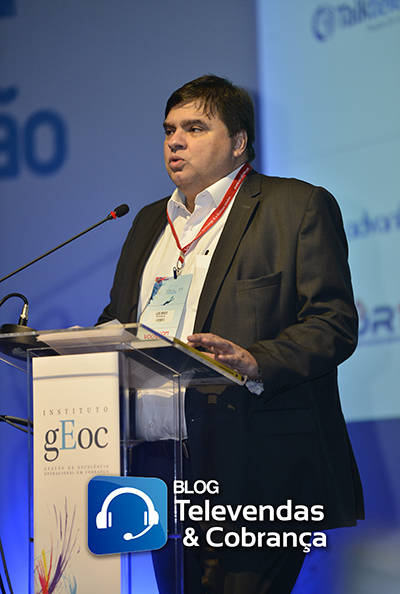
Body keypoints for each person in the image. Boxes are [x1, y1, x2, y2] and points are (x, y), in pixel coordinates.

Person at [97, 75, 364, 594]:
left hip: (257, 464)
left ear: (239, 142)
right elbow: (119, 318)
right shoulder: (149, 221)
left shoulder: (296, 206)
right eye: (169, 130)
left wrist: (256, 360)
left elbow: (333, 322)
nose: (176, 141)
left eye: (195, 128)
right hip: (158, 467)